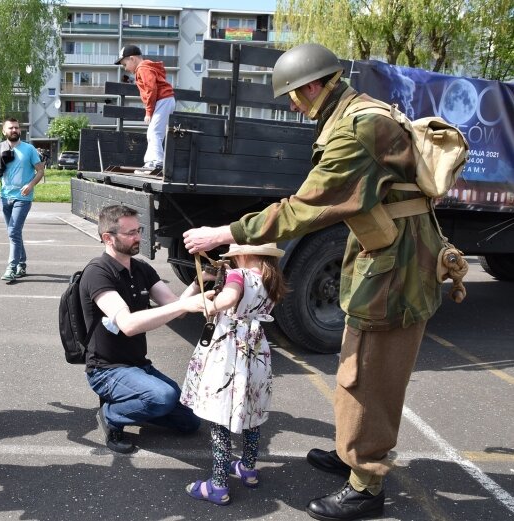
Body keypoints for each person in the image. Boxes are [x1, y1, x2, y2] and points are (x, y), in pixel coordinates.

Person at [182, 43, 445, 521]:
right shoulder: (355, 113)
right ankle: (351, 455)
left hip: (396, 269)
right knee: (354, 364)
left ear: (312, 86)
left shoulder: (356, 128)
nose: (291, 106)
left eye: (292, 96)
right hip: (388, 257)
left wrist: (227, 232)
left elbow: (304, 207)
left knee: (370, 375)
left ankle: (366, 484)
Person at [80, 205, 211, 454]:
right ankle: (111, 414)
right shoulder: (97, 273)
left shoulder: (141, 269)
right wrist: (188, 304)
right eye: (130, 233)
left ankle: (135, 402)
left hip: (138, 365)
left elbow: (177, 309)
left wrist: (199, 282)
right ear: (108, 237)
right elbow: (128, 325)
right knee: (163, 397)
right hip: (106, 370)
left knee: (190, 422)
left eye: (139, 230)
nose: (138, 237)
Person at [182, 243, 287, 506]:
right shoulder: (269, 278)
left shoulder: (237, 276)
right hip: (256, 350)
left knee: (219, 416)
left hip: (229, 350)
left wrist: (210, 304)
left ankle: (218, 484)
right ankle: (248, 469)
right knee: (251, 410)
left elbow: (228, 300)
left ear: (240, 254)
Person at [0, 118, 45, 282]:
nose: (14, 130)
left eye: (17, 128)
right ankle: (22, 264)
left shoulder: (29, 149)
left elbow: (40, 171)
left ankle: (11, 267)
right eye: (11, 128)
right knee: (15, 233)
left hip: (23, 197)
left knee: (12, 231)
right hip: (5, 197)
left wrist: (31, 184)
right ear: (4, 131)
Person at [115, 45, 175, 173]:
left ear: (132, 59)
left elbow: (151, 89)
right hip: (164, 100)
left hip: (163, 100)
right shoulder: (145, 67)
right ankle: (151, 162)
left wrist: (148, 111)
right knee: (153, 133)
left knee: (154, 132)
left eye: (125, 64)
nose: (125, 68)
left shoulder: (142, 68)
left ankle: (157, 163)